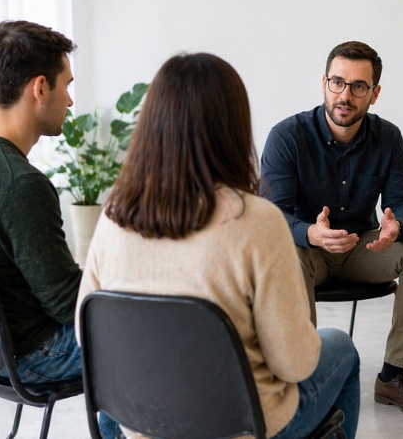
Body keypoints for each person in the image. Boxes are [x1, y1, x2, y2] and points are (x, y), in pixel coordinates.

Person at [75, 52, 360, 439]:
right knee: (341, 347)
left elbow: (87, 336)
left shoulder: (114, 216)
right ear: (233, 128)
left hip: (144, 422)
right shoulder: (257, 221)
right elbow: (294, 364)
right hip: (242, 425)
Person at [260, 40, 403, 416]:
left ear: (374, 93)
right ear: (323, 83)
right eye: (337, 82)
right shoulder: (287, 136)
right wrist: (311, 233)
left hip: (364, 248)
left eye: (359, 86)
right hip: (308, 251)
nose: (345, 95)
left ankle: (392, 376)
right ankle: (306, 377)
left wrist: (397, 227)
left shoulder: (388, 137)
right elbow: (271, 217)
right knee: (286, 255)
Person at [0, 20, 121, 439]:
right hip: (32, 354)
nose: (70, 100)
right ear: (39, 88)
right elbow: (69, 306)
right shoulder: (19, 184)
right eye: (66, 85)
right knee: (147, 331)